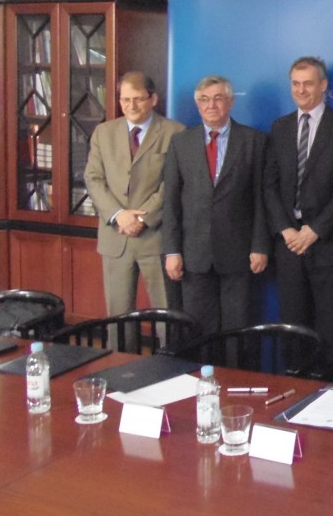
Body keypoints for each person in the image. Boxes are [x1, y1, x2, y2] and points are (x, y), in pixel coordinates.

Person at [264, 56, 333, 365]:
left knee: (330, 331)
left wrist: (315, 229)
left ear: (323, 85)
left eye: (308, 83)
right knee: (292, 329)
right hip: (289, 244)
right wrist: (287, 230)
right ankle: (294, 394)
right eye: (296, 83)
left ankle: (329, 397)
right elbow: (270, 185)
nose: (301, 89)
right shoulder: (279, 128)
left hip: (329, 246)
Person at [162, 75, 270, 336]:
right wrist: (172, 250)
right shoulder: (181, 143)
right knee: (198, 332)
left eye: (218, 98)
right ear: (197, 104)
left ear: (231, 102)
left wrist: (260, 246)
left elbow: (261, 199)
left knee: (238, 331)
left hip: (239, 255)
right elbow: (171, 201)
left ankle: (235, 378)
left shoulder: (254, 141)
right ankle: (203, 377)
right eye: (204, 99)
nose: (211, 105)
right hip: (194, 257)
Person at [84, 71, 184, 319]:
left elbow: (173, 184)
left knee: (166, 317)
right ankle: (121, 360)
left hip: (155, 237)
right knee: (118, 318)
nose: (131, 105)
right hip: (115, 237)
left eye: (138, 99)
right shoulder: (103, 132)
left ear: (153, 99)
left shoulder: (175, 132)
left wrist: (141, 218)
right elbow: (93, 178)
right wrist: (119, 215)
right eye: (125, 99)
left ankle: (167, 359)